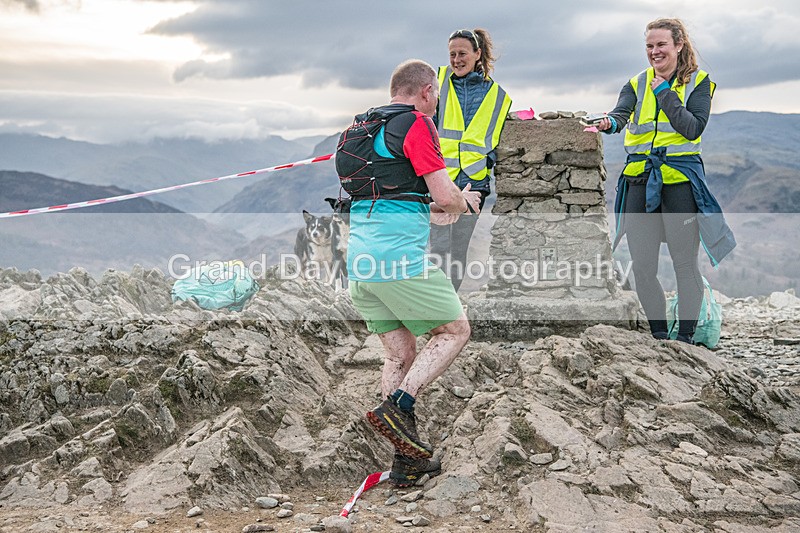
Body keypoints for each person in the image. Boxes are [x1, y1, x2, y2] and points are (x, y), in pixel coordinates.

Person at [340, 59, 481, 487]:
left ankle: (407, 462)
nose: (436, 102)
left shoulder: (360, 131)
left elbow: (393, 195)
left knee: (398, 355)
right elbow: (443, 193)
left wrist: (436, 210)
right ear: (426, 90)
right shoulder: (417, 124)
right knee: (453, 331)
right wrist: (463, 202)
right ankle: (400, 404)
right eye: (436, 95)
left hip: (360, 262)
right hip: (398, 259)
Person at [597, 18, 736, 344]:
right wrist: (610, 123)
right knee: (642, 266)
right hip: (639, 181)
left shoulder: (699, 83)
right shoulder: (635, 82)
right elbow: (621, 114)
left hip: (680, 184)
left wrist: (663, 91)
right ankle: (659, 335)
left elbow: (691, 127)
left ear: (678, 45)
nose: (654, 51)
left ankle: (685, 339)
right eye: (649, 46)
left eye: (661, 45)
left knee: (684, 264)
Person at [429, 28, 512, 291]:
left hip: (474, 183)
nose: (456, 60)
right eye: (452, 54)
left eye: (462, 53)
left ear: (477, 54)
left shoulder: (497, 96)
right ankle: (439, 308)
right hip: (441, 180)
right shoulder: (438, 82)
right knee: (439, 246)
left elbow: (494, 139)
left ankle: (449, 306)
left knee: (458, 249)